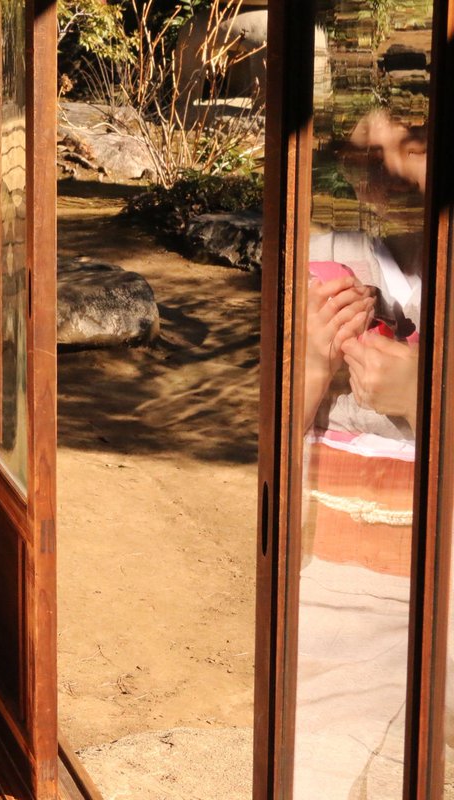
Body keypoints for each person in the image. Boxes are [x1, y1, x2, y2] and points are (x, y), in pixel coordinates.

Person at [294, 107, 429, 798]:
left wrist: (424, 397)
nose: (391, 173)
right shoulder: (321, 258)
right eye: (366, 159)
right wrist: (313, 363)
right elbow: (270, 442)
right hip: (340, 574)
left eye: (413, 145)